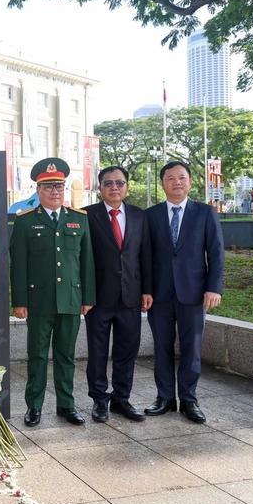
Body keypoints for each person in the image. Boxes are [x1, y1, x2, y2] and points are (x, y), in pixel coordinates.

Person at [10, 158, 95, 427]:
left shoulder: (78, 220)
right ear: (38, 191)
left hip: (70, 299)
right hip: (38, 301)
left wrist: (88, 298)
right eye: (48, 187)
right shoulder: (25, 222)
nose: (55, 192)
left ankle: (66, 405)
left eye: (59, 186)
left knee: (66, 355)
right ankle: (34, 406)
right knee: (36, 355)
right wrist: (20, 301)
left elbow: (87, 263)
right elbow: (18, 264)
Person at [145, 161, 224, 423]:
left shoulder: (205, 213)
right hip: (160, 294)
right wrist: (146, 290)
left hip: (194, 293)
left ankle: (189, 399)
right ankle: (165, 398)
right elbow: (145, 256)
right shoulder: (151, 215)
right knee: (162, 348)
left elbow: (215, 253)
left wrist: (214, 288)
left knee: (192, 349)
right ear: (162, 184)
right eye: (170, 178)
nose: (176, 182)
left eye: (182, 177)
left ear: (190, 182)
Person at [82, 166, 153, 423]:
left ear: (127, 187)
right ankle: (99, 400)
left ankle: (122, 399)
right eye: (108, 183)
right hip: (98, 297)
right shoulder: (87, 215)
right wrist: (85, 295)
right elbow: (82, 257)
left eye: (119, 183)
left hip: (131, 296)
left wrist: (147, 290)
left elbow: (145, 255)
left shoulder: (138, 215)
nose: (114, 187)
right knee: (98, 351)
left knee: (127, 351)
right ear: (100, 187)